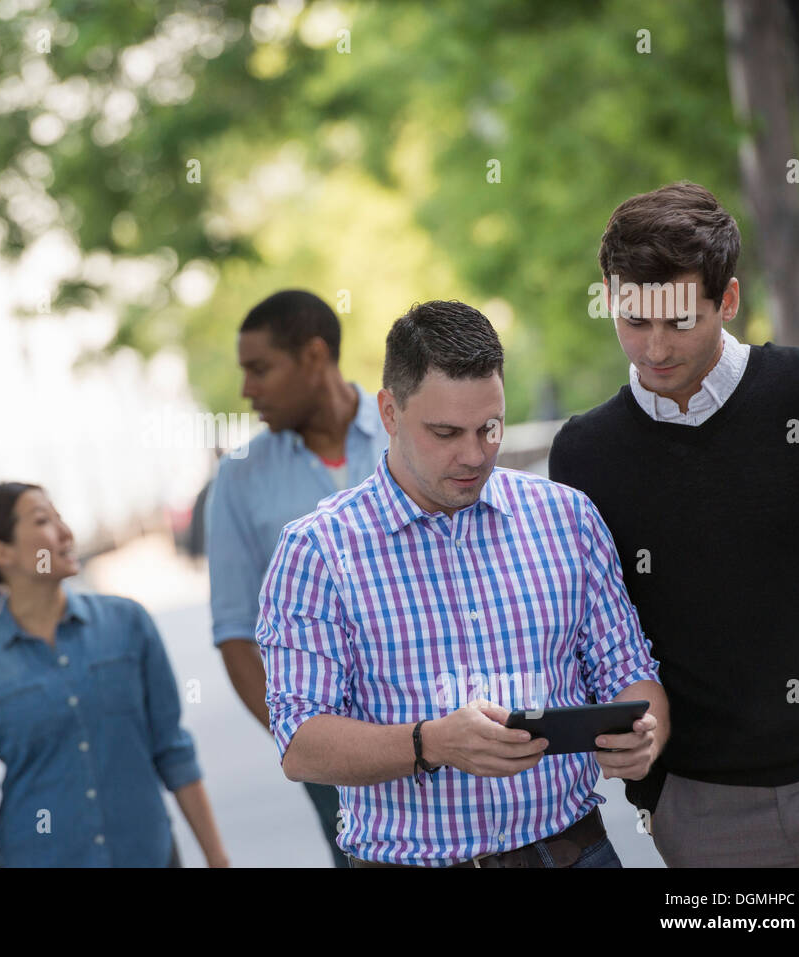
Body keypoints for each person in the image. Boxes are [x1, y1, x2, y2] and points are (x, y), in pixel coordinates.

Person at [257, 300, 668, 868]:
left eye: (489, 428)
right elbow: (300, 743)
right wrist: (431, 743)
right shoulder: (318, 552)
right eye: (446, 432)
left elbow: (630, 673)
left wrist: (645, 732)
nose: (474, 455)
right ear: (390, 412)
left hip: (573, 853)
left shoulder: (566, 518)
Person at [547, 182, 799, 866]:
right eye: (632, 320)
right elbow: (598, 628)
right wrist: (654, 786)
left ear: (728, 300)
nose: (653, 349)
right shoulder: (586, 454)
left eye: (679, 322)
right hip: (703, 813)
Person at [0, 482, 228, 867]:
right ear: (2, 552)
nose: (66, 533)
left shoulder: (128, 623)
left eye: (61, 518)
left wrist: (217, 859)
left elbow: (173, 750)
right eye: (43, 521)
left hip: (146, 855)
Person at [204, 289, 387, 867]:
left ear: (313, 357)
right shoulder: (237, 480)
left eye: (260, 369)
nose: (246, 390)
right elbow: (235, 633)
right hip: (333, 758)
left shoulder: (407, 433)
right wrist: (303, 743)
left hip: (448, 723)